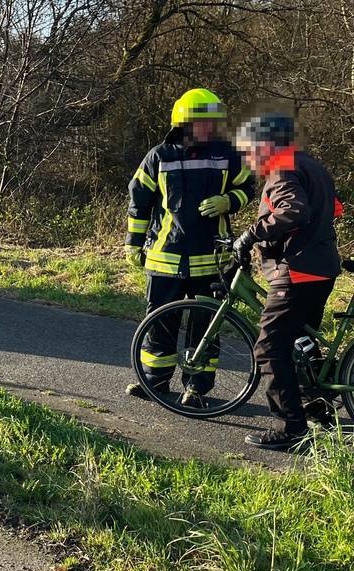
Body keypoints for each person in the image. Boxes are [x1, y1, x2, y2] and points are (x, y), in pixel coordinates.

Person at [125, 88, 256, 407]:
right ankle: (153, 381)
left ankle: (195, 389)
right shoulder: (160, 156)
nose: (209, 128)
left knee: (205, 328)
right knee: (159, 324)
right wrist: (133, 244)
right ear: (184, 121)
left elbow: (249, 188)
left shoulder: (228, 155)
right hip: (165, 258)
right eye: (202, 121)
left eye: (213, 122)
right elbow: (139, 202)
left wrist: (230, 200)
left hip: (211, 260)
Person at [232, 113, 342, 450]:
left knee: (270, 348)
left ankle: (291, 429)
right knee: (302, 344)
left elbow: (294, 210)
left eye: (250, 150)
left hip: (296, 271)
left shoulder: (283, 168)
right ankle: (318, 410)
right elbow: (335, 209)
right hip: (321, 268)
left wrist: (251, 235)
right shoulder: (311, 165)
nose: (248, 159)